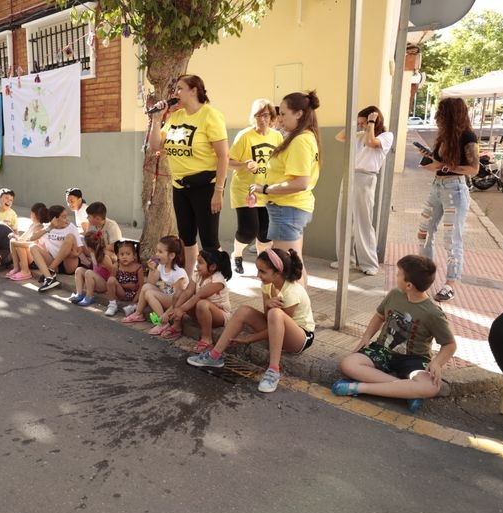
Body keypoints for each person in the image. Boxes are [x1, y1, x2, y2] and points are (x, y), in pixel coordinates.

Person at [332, 254, 456, 413]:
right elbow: (379, 316)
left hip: (415, 359)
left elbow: (450, 344)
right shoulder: (395, 294)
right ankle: (407, 392)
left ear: (409, 285)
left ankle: (359, 388)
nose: (396, 277)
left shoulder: (433, 313)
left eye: (399, 274)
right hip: (382, 350)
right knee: (348, 364)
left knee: (431, 386)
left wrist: (437, 362)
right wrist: (366, 337)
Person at [187, 248, 315, 394]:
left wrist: (250, 338)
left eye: (262, 271)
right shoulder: (267, 284)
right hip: (277, 329)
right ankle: (214, 355)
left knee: (275, 312)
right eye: (258, 270)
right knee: (244, 310)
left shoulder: (293, 291)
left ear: (278, 273)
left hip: (300, 337)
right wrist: (267, 304)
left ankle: (273, 370)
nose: (258, 275)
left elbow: (278, 324)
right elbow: (269, 319)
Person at [146, 74, 229, 276]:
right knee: (187, 237)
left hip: (205, 185)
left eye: (180, 88)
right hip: (180, 187)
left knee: (209, 240)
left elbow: (223, 156)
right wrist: (157, 119)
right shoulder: (175, 116)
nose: (175, 93)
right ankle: (190, 278)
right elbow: (154, 146)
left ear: (194, 91)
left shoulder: (210, 115)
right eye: (175, 89)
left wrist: (218, 190)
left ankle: (216, 281)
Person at [249, 91, 322, 287]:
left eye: (283, 113)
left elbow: (300, 182)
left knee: (288, 269)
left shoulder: (300, 140)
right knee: (295, 265)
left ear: (298, 114)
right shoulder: (302, 137)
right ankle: (299, 313)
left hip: (287, 209)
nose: (279, 118)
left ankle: (294, 315)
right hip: (290, 209)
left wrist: (265, 188)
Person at [414, 97, 478, 302]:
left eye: (441, 113)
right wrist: (429, 161)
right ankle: (424, 278)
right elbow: (437, 163)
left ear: (450, 115)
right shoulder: (444, 137)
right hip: (437, 187)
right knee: (424, 231)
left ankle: (450, 284)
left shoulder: (467, 136)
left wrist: (443, 166)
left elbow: (474, 169)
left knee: (452, 239)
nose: (437, 117)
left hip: (455, 190)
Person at [332, 106, 394, 276]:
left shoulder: (386, 136)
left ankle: (370, 263)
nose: (361, 126)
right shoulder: (359, 134)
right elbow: (340, 137)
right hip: (349, 175)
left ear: (373, 120)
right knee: (344, 219)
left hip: (366, 178)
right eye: (359, 123)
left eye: (363, 122)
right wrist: (355, 123)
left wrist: (371, 124)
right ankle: (346, 260)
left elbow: (371, 143)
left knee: (363, 222)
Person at [228, 98, 282, 274]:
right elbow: (229, 161)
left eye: (265, 115)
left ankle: (263, 266)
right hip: (245, 190)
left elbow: (279, 162)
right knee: (248, 231)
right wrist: (244, 165)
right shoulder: (245, 136)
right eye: (258, 115)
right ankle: (236, 254)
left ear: (272, 117)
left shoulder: (277, 136)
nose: (262, 119)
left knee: (266, 233)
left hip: (267, 190)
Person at [157, 249, 233, 353]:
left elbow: (198, 296)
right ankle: (177, 325)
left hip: (219, 315)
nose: (197, 266)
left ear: (213, 267)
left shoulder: (217, 280)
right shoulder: (197, 275)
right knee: (180, 294)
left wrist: (181, 309)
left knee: (202, 303)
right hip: (200, 311)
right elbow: (188, 292)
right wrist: (175, 309)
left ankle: (207, 338)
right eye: (197, 262)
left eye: (201, 263)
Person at [122, 235, 189, 325]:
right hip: (166, 296)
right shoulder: (161, 266)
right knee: (146, 287)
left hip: (175, 303)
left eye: (160, 252)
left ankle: (162, 321)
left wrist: (167, 313)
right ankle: (138, 314)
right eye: (157, 251)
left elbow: (178, 298)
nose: (157, 254)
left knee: (150, 293)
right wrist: (152, 269)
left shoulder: (179, 273)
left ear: (172, 255)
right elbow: (151, 283)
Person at [28, 205, 83, 292]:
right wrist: (50, 227)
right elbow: (31, 238)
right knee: (32, 247)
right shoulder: (48, 227)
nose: (67, 219)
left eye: (66, 216)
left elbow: (80, 248)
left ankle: (51, 270)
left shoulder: (71, 227)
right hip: (54, 262)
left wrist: (75, 254)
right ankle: (49, 278)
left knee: (70, 237)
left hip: (69, 263)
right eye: (64, 217)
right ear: (55, 219)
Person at [69, 230, 115, 307]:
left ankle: (89, 296)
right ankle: (79, 294)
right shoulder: (92, 253)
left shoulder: (104, 257)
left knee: (89, 273)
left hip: (103, 285)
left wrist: (111, 288)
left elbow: (113, 272)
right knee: (79, 270)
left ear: (89, 247)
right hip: (94, 281)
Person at [6, 203, 50, 281]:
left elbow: (33, 244)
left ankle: (25, 271)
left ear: (33, 214)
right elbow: (22, 238)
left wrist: (18, 242)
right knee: (13, 241)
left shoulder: (40, 228)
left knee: (20, 245)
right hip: (28, 255)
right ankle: (16, 267)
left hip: (35, 260)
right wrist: (14, 236)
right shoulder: (32, 225)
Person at [105, 240, 143, 317]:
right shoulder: (117, 266)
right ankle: (112, 305)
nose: (124, 257)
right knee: (111, 279)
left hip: (135, 295)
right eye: (122, 254)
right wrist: (126, 286)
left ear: (134, 256)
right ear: (118, 256)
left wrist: (134, 301)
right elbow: (111, 282)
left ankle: (133, 306)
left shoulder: (138, 268)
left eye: (128, 254)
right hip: (121, 293)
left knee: (143, 290)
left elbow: (141, 286)